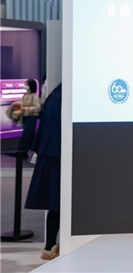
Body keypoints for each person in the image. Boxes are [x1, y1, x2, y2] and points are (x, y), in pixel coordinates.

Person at [25, 84, 62, 260]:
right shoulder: (67, 93)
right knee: (58, 202)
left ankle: (50, 247)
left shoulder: (57, 94)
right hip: (57, 154)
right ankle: (52, 247)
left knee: (56, 203)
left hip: (51, 152)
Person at [17, 79, 41, 153]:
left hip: (31, 117)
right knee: (28, 134)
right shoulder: (24, 95)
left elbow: (37, 108)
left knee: (27, 134)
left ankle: (23, 150)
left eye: (26, 84)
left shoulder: (35, 97)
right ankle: (28, 149)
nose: (25, 86)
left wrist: (27, 109)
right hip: (25, 117)